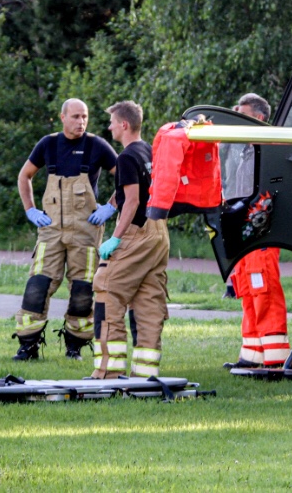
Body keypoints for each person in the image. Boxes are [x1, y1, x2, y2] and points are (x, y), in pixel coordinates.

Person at [12, 98, 119, 361]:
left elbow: (127, 178)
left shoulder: (97, 145)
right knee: (37, 285)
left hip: (86, 230)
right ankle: (28, 345)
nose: (80, 122)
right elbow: (24, 176)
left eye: (84, 116)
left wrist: (111, 206)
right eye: (75, 116)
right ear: (62, 117)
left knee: (82, 290)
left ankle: (75, 345)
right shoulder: (48, 144)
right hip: (51, 230)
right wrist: (30, 209)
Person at [90, 101, 167, 379]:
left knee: (107, 289)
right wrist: (112, 204)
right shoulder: (148, 151)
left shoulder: (125, 157)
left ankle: (108, 371)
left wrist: (115, 238)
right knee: (148, 300)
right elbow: (133, 191)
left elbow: (132, 201)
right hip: (159, 232)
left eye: (112, 122)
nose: (109, 126)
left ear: (124, 124)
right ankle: (145, 375)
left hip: (137, 232)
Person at [223, 93, 290, 370]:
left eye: (243, 113)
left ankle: (275, 358)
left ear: (259, 118)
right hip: (244, 232)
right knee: (248, 290)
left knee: (264, 290)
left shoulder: (271, 149)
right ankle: (251, 356)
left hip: (261, 233)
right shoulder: (244, 150)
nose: (237, 118)